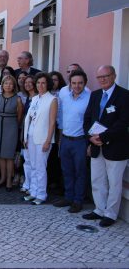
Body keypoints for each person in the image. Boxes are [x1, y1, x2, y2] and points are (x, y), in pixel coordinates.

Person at [82, 65, 129, 227]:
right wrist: (91, 137)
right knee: (97, 179)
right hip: (96, 145)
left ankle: (110, 214)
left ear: (114, 76)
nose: (102, 79)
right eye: (99, 77)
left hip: (116, 147)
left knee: (114, 182)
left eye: (105, 76)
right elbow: (87, 118)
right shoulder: (95, 95)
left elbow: (123, 123)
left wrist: (103, 136)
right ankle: (99, 209)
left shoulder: (124, 95)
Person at [53, 69, 90, 213]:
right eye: (74, 83)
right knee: (66, 170)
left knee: (80, 171)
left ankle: (78, 200)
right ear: (70, 83)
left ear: (84, 83)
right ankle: (68, 197)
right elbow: (61, 118)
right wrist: (61, 138)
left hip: (80, 141)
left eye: (80, 83)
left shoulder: (90, 98)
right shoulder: (65, 96)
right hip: (66, 139)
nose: (77, 86)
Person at [23, 72, 58, 205]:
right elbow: (30, 119)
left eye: (43, 83)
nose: (40, 85)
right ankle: (33, 191)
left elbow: (52, 122)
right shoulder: (35, 98)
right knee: (32, 165)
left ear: (47, 84)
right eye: (38, 83)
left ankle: (41, 194)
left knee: (40, 167)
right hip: (31, 136)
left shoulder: (52, 99)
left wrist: (48, 140)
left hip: (43, 138)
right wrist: (25, 136)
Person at [0, 75, 23, 191]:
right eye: (6, 83)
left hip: (11, 126)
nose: (8, 86)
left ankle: (9, 181)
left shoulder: (18, 99)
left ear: (14, 85)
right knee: (0, 154)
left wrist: (14, 127)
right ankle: (3, 178)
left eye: (10, 84)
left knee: (9, 156)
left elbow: (19, 117)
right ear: (2, 85)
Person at [20, 75, 38, 194]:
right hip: (25, 132)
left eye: (31, 82)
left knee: (34, 162)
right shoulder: (28, 98)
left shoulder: (38, 98)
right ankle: (27, 183)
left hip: (34, 134)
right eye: (26, 83)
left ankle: (33, 186)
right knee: (26, 160)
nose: (28, 84)